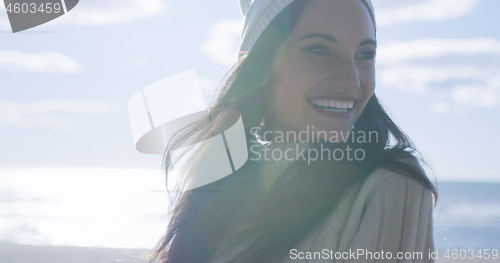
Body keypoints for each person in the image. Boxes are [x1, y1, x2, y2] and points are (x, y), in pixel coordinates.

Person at [150, 0, 437, 262]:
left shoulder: (389, 185)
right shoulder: (222, 181)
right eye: (319, 50)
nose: (351, 81)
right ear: (262, 66)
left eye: (365, 54)